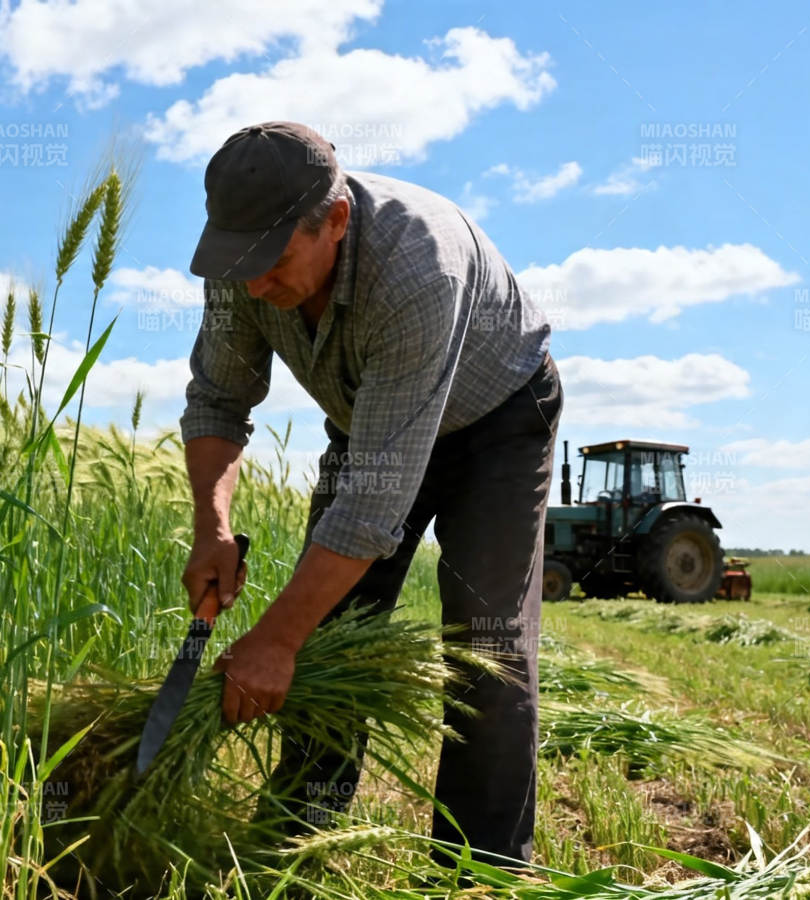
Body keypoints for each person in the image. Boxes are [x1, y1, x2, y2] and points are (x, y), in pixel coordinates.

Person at [178, 121, 562, 865]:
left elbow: (374, 502)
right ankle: (292, 846)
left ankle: (479, 871)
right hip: (370, 419)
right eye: (238, 261)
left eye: (273, 259)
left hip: (498, 421)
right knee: (328, 635)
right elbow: (219, 401)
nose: (254, 283)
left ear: (337, 222)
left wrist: (273, 639)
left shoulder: (420, 267)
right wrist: (212, 528)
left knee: (484, 645)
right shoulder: (239, 267)